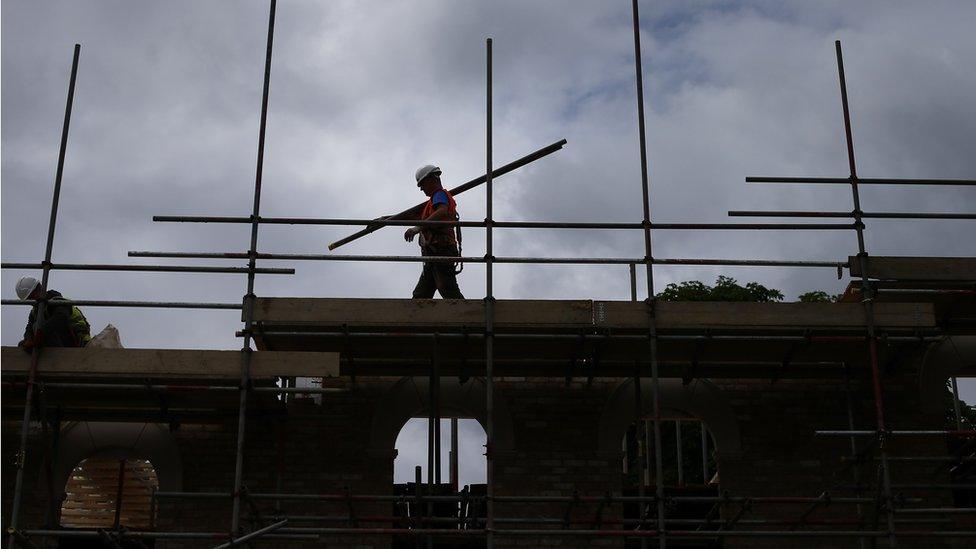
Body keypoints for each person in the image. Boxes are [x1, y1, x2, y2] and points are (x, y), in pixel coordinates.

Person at [404, 164, 464, 299]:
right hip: (433, 251)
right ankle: (415, 317)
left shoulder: (439, 195)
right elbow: (409, 216)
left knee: (446, 288)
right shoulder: (431, 204)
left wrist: (417, 228)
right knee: (422, 293)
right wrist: (385, 219)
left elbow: (442, 211)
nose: (421, 189)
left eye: (422, 184)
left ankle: (467, 317)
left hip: (442, 249)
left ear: (432, 179)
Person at [16, 276, 91, 352]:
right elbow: (29, 328)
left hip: (77, 341)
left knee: (42, 328)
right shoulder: (35, 312)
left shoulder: (57, 301)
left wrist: (41, 332)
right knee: (23, 344)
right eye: (30, 298)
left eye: (33, 295)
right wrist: (29, 339)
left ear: (40, 287)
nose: (33, 299)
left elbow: (61, 318)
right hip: (59, 341)